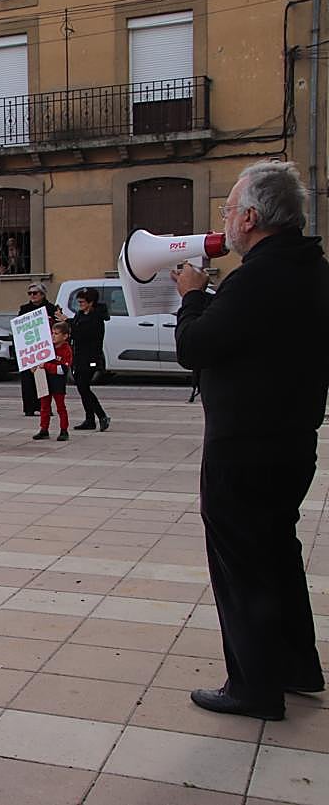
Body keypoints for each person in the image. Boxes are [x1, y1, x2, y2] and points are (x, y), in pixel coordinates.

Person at [174, 160, 327, 720]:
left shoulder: (258, 276)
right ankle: (294, 666)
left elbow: (198, 346)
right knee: (277, 556)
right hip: (290, 441)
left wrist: (192, 295)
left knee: (242, 566)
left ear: (252, 217)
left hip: (245, 448)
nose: (225, 220)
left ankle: (253, 687)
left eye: (229, 209)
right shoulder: (309, 267)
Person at [59, 288, 110, 431]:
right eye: (79, 302)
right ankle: (90, 419)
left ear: (91, 302)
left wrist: (68, 323)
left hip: (91, 357)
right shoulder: (80, 314)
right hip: (79, 356)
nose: (79, 304)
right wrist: (66, 320)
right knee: (82, 388)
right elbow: (75, 328)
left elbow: (83, 333)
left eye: (82, 302)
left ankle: (101, 416)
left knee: (83, 387)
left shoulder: (96, 317)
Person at [18, 283, 58, 416]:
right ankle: (29, 407)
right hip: (29, 349)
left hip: (44, 349)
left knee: (44, 379)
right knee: (28, 380)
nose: (32, 296)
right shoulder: (24, 309)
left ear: (42, 294)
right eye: (30, 293)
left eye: (35, 293)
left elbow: (58, 328)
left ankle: (44, 407)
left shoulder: (51, 309)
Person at [31, 322, 71, 441]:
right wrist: (35, 366)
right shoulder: (47, 347)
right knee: (44, 406)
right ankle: (44, 429)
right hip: (45, 379)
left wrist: (47, 366)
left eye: (56, 334)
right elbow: (38, 360)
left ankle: (64, 430)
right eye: (52, 333)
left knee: (60, 407)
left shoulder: (66, 350)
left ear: (65, 336)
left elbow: (63, 369)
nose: (53, 336)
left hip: (58, 382)